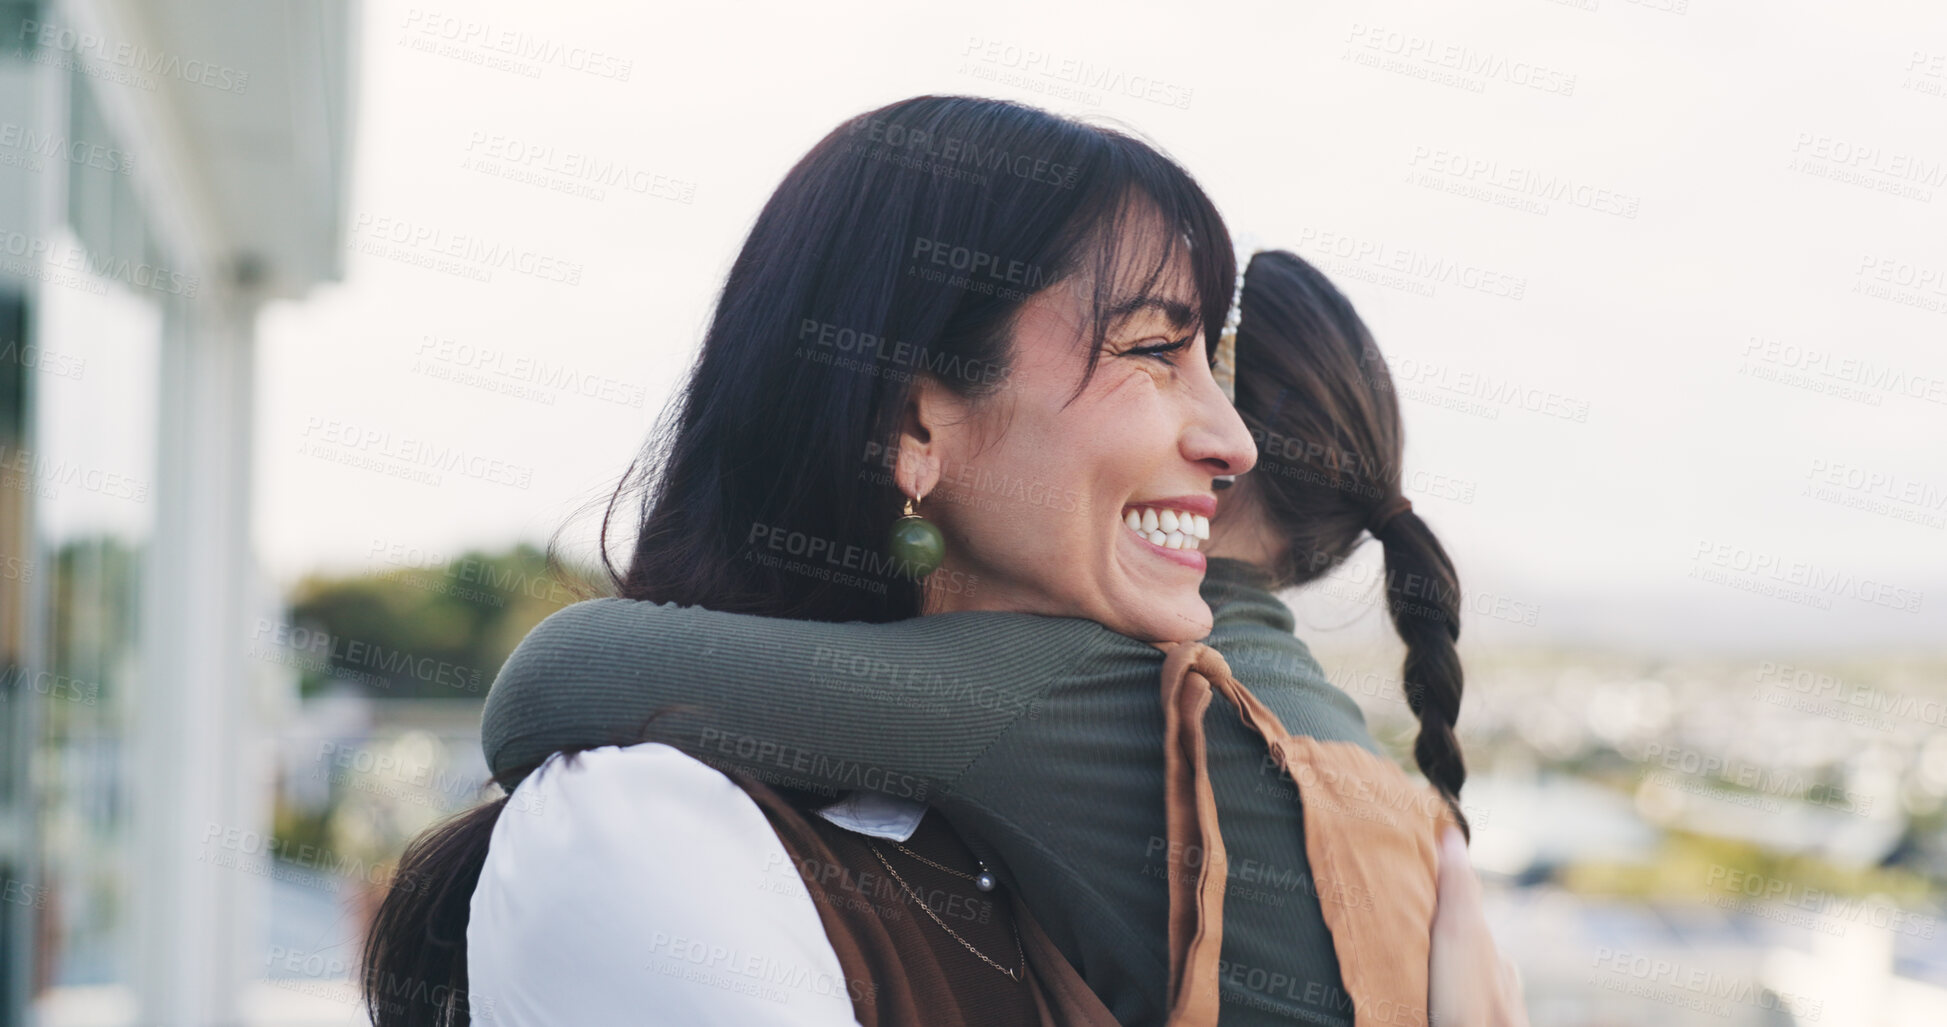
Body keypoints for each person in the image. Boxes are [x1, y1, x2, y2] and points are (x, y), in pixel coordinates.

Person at [362, 93, 1254, 1026]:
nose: (1235, 442)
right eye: (1154, 350)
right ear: (913, 426)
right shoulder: (646, 827)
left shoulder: (1071, 831)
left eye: (1214, 364)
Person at [471, 246, 1526, 1024]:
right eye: (1157, 359)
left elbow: (554, 679)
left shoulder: (1088, 685)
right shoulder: (1375, 773)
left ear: (1226, 452)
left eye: (1176, 361)